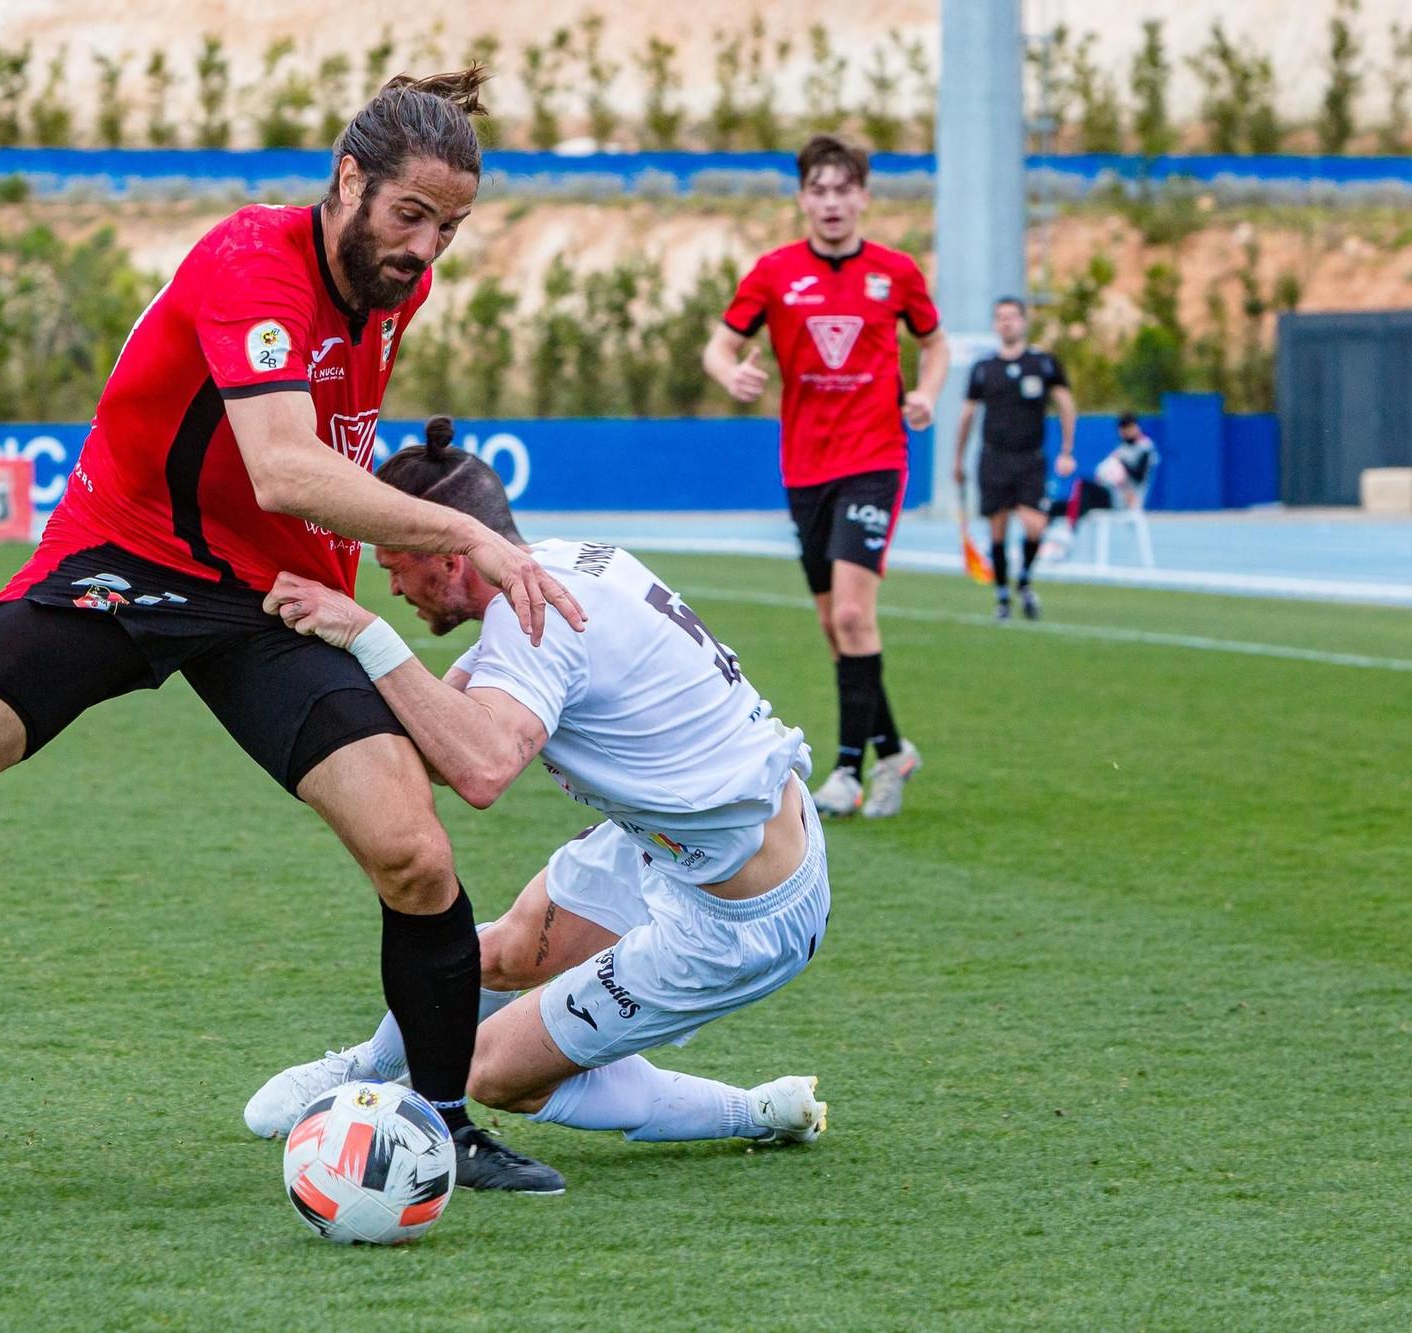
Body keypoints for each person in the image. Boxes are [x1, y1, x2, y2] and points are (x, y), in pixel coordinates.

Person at [0, 70, 584, 1194]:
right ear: (346, 180)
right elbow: (281, 466)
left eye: (450, 229)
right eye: (410, 216)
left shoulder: (388, 281)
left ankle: (442, 1123)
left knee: (413, 856)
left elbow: (297, 469)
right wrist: (467, 537)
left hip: (267, 595)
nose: (425, 248)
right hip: (120, 562)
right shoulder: (250, 262)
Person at [245, 424, 831, 1161]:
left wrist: (365, 634)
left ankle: (754, 1109)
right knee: (499, 953)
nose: (390, 587)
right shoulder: (553, 567)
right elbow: (442, 730)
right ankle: (367, 1069)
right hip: (674, 840)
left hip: (740, 912)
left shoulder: (538, 617)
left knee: (492, 1071)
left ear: (451, 556)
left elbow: (479, 771)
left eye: (395, 565)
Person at [700, 134, 948, 819]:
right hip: (805, 467)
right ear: (803, 197)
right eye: (820, 189)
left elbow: (935, 343)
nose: (833, 202)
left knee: (850, 611)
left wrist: (926, 393)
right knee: (836, 627)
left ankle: (847, 771)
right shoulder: (775, 273)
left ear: (864, 197)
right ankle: (894, 747)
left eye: (845, 190)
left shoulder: (895, 273)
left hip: (874, 458)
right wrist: (732, 371)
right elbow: (720, 345)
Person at [952, 297, 1076, 621]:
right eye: (1000, 318)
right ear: (995, 324)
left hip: (1030, 459)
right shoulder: (984, 369)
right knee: (997, 529)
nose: (1006, 323)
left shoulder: (1043, 363)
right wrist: (957, 460)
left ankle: (1024, 581)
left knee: (1035, 525)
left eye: (1012, 317)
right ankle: (1003, 595)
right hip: (993, 458)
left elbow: (1065, 403)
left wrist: (1067, 449)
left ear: (1023, 322)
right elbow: (967, 415)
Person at [1039, 412, 1159, 559]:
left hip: (1124, 500)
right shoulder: (1121, 449)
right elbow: (1104, 474)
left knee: (1082, 486)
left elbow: (1139, 476)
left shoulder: (1145, 449)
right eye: (1123, 429)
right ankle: (1043, 544)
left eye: (1129, 428)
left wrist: (1121, 464)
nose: (1126, 432)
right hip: (1108, 493)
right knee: (1056, 506)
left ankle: (1068, 533)